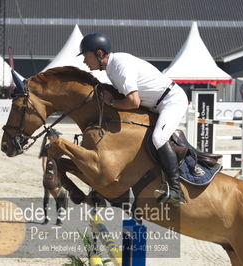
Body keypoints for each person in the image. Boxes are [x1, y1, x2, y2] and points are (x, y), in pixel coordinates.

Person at [78, 33, 188, 206]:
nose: (85, 61)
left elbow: (133, 102)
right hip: (154, 104)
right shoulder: (112, 68)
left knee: (158, 138)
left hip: (170, 101)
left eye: (86, 56)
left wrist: (112, 102)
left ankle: (176, 190)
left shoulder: (119, 66)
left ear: (99, 54)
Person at [39, 128, 68, 225]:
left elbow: (44, 162)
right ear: (52, 137)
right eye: (57, 136)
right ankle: (58, 219)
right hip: (55, 175)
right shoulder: (53, 148)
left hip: (53, 175)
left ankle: (47, 219)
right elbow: (44, 162)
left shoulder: (50, 147)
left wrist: (45, 175)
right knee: (57, 196)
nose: (59, 137)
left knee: (47, 196)